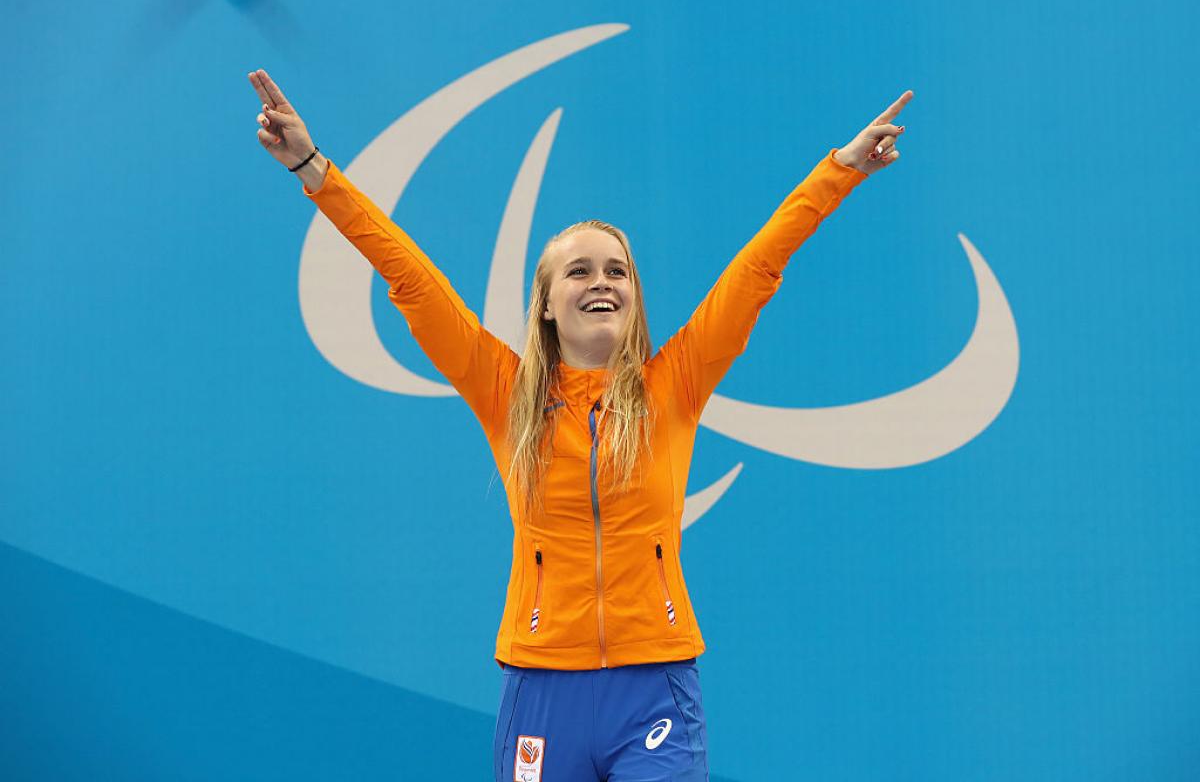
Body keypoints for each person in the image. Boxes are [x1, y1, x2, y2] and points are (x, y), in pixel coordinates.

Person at [249, 68, 911, 782]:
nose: (602, 281)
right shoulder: (505, 392)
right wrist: (313, 170)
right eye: (580, 272)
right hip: (541, 685)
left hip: (654, 684)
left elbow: (757, 270)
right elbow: (409, 277)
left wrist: (838, 172)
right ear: (544, 303)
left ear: (634, 296)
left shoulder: (675, 385)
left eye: (617, 271)